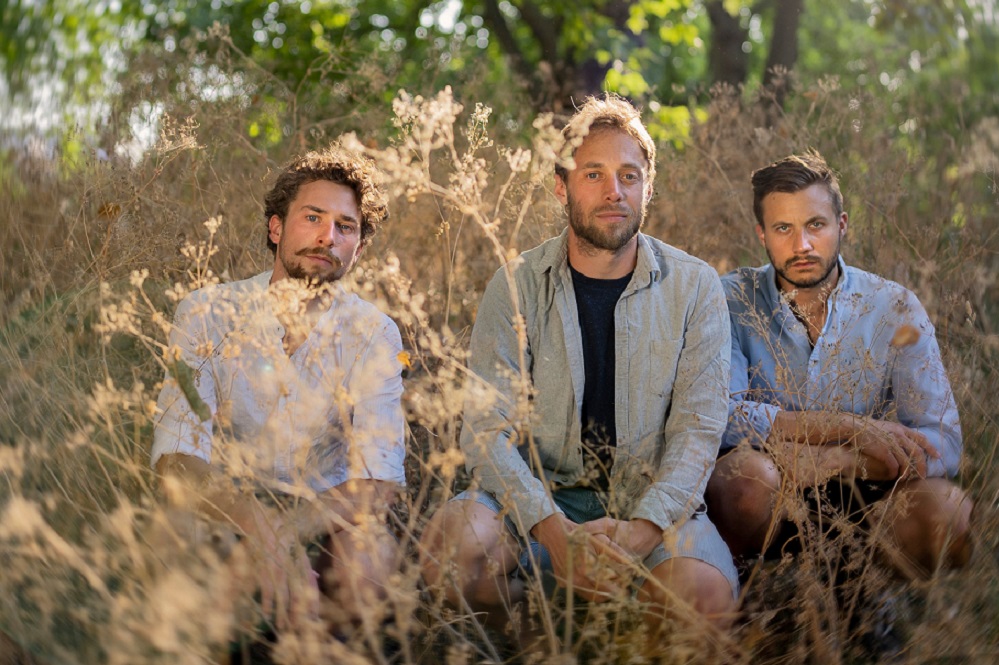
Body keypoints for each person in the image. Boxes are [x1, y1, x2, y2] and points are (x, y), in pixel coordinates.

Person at [420, 95, 738, 648]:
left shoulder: (694, 286)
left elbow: (699, 430)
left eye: (629, 176)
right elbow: (485, 429)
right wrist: (552, 530)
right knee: (453, 551)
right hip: (541, 502)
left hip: (649, 505)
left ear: (647, 189)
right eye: (594, 174)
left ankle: (628, 638)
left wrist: (642, 532)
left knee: (702, 600)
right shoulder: (517, 284)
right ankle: (540, 642)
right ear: (561, 187)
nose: (614, 191)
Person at [151, 142, 406, 636]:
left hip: (327, 518)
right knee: (170, 536)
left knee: (368, 563)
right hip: (228, 509)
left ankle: (325, 647)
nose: (327, 236)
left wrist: (286, 532)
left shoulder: (375, 333)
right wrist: (255, 523)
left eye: (345, 227)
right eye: (312, 218)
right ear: (276, 228)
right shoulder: (205, 313)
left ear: (358, 248)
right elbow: (178, 458)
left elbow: (379, 480)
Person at [707, 150, 972, 580]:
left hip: (868, 490)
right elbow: (719, 416)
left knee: (948, 510)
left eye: (816, 225)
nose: (802, 245)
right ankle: (747, 588)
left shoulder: (893, 306)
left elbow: (944, 442)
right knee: (743, 480)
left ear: (842, 225)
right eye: (783, 228)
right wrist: (852, 428)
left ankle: (863, 594)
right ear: (762, 235)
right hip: (772, 484)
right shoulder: (731, 299)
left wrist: (837, 459)